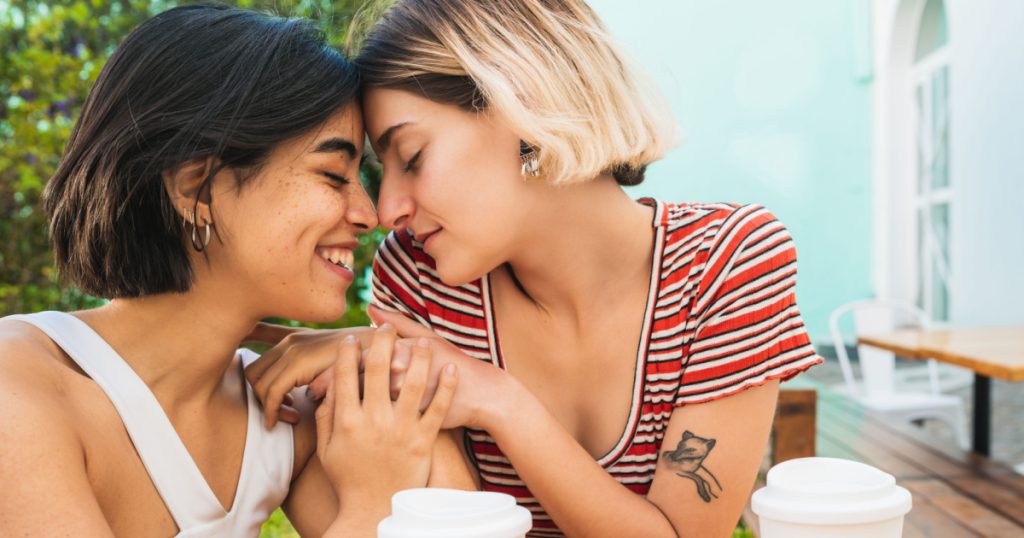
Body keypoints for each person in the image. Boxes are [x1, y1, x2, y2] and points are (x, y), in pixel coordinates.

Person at [0, 4, 468, 536]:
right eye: (334, 174)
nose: (370, 215)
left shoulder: (289, 417)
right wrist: (369, 508)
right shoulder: (17, 388)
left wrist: (404, 374)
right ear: (195, 188)